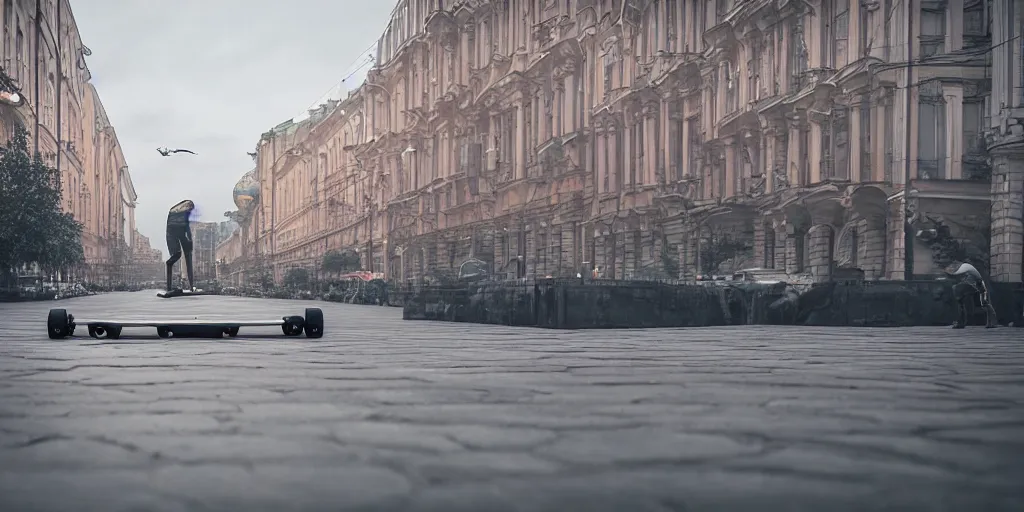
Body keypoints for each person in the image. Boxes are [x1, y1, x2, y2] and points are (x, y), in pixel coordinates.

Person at [946, 261, 998, 329]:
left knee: (984, 303)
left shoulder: (967, 269)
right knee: (961, 300)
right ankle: (991, 322)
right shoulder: (968, 271)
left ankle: (992, 322)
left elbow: (970, 281)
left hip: (977, 284)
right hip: (976, 285)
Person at [165, 199, 197, 293]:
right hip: (179, 235)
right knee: (186, 257)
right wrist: (189, 239)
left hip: (175, 235)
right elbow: (186, 227)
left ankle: (170, 288)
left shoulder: (173, 211)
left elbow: (183, 227)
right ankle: (191, 287)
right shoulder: (182, 213)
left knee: (183, 256)